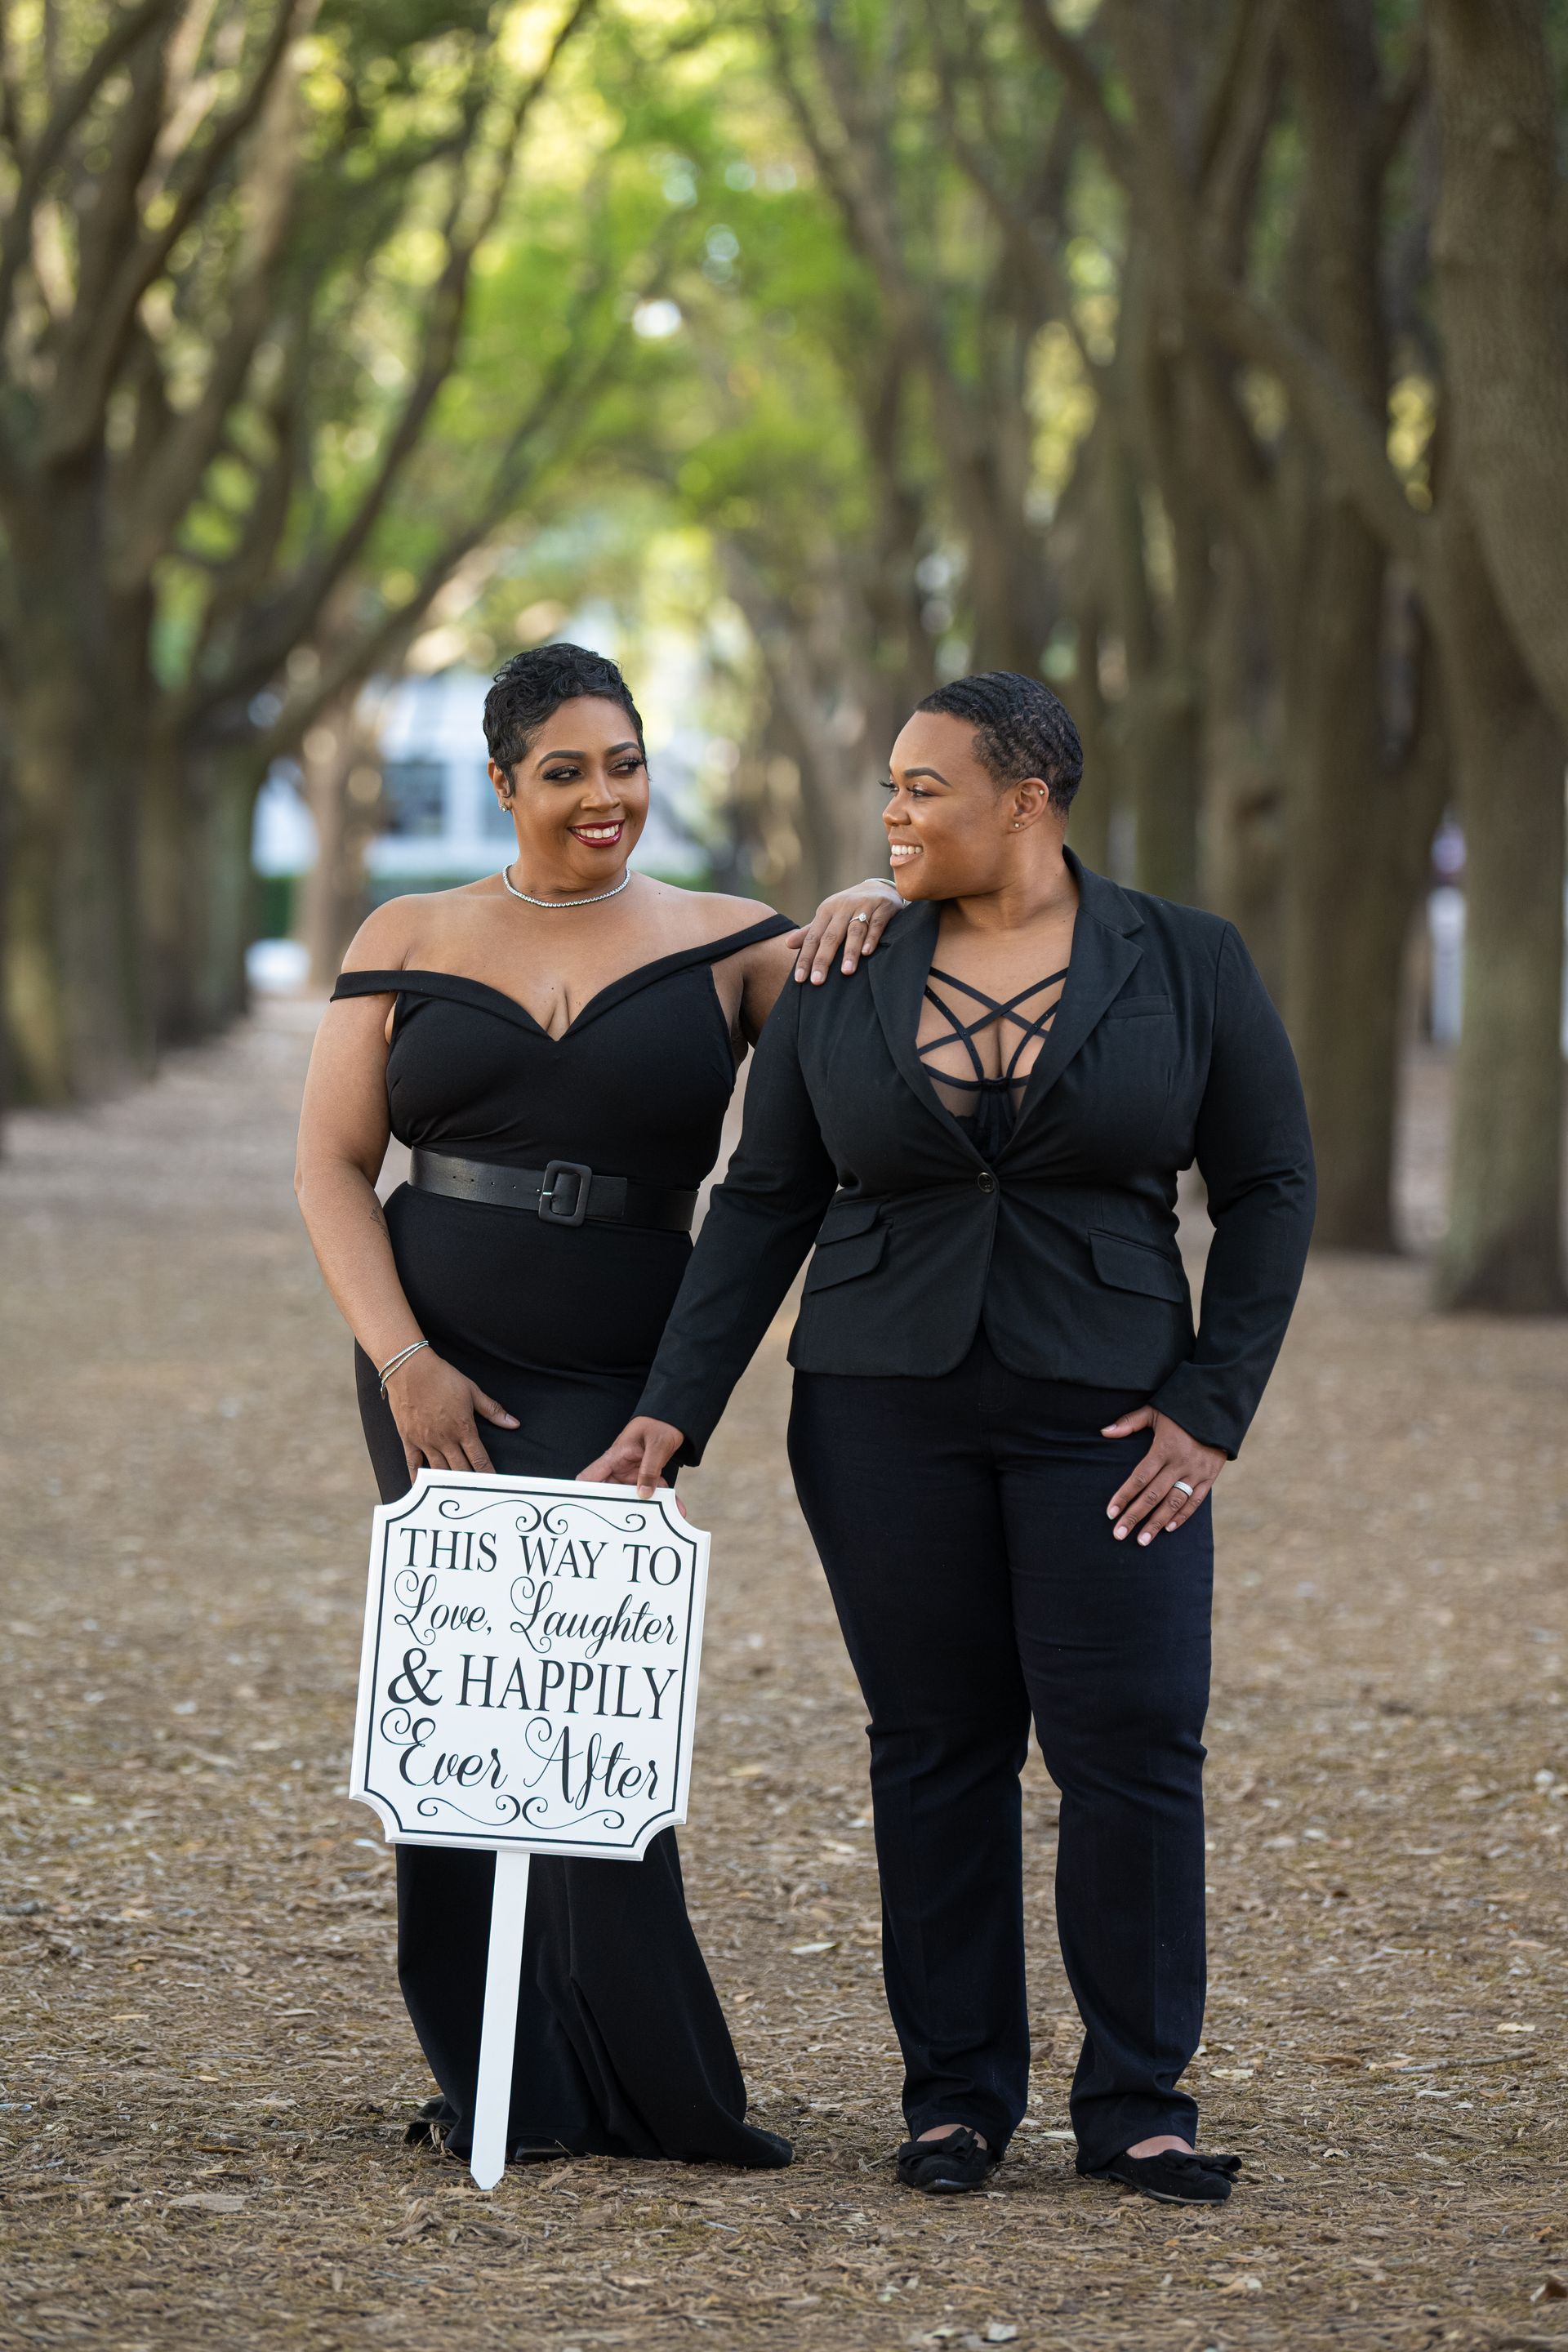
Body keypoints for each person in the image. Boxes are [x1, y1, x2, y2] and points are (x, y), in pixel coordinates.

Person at [583, 670, 1316, 2205]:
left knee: (1130, 1752)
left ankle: (1138, 2105)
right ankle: (957, 2099)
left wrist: (1212, 1407)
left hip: (1112, 1415)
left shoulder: (1185, 960)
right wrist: (674, 1407)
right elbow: (767, 1196)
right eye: (892, 790)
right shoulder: (843, 964)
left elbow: (1268, 1188)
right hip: (878, 1407)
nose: (896, 813)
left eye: (925, 788)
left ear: (1026, 801)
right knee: (934, 1750)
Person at [294, 641, 900, 2170]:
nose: (604, 795)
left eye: (624, 762)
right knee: (452, 1703)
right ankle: (499, 2082)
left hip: (628, 1371)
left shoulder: (728, 940)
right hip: (436, 1368)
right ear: (505, 784)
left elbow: (884, 1036)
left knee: (584, 1708)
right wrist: (401, 1361)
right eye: (566, 770)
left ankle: (656, 2087)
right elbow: (328, 1166)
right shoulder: (407, 931)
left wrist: (885, 905)